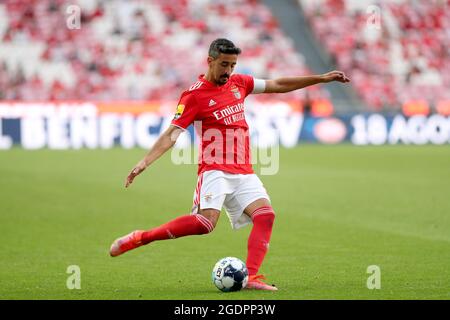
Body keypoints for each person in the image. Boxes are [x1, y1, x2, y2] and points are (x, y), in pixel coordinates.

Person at [110, 38, 350, 291]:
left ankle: (251, 277)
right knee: (205, 224)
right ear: (210, 61)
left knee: (266, 216)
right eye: (224, 64)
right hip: (214, 170)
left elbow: (277, 84)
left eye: (233, 65)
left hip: (244, 170)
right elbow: (173, 133)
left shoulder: (240, 83)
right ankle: (141, 237)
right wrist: (144, 161)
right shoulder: (194, 95)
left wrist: (321, 78)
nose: (228, 71)